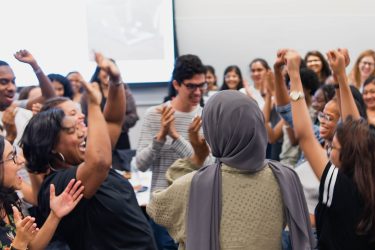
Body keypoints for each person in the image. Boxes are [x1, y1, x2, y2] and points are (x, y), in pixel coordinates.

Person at [147, 90, 315, 250]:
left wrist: (195, 160)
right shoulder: (286, 176)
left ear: (214, 133)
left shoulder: (195, 184)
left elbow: (156, 208)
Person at [21, 53, 156, 250]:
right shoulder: (57, 184)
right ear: (51, 143)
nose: (81, 120)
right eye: (72, 118)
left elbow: (111, 121)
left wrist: (116, 81)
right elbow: (99, 163)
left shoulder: (85, 158)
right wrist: (93, 103)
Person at [283, 48, 375, 249]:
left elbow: (305, 136)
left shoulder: (341, 187)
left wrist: (295, 76)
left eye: (335, 149)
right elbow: (354, 125)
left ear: (348, 156)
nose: (330, 153)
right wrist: (339, 77)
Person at [135, 54, 206, 249]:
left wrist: (175, 137)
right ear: (176, 84)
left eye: (202, 85)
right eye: (191, 86)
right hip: (163, 207)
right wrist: (160, 138)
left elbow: (206, 164)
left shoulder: (206, 115)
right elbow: (140, 164)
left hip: (196, 206)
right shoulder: (155, 114)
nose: (198, 92)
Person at [0, 136, 84, 250]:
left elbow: (32, 246)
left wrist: (55, 215)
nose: (21, 160)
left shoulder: (9, 198)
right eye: (11, 156)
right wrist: (18, 245)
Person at [86, 61, 139, 172]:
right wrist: (100, 126)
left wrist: (117, 124)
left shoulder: (124, 90)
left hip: (121, 138)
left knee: (123, 171)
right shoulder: (91, 91)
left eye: (109, 69)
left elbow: (133, 116)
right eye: (103, 69)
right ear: (98, 72)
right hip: (97, 138)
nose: (106, 73)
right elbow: (86, 115)